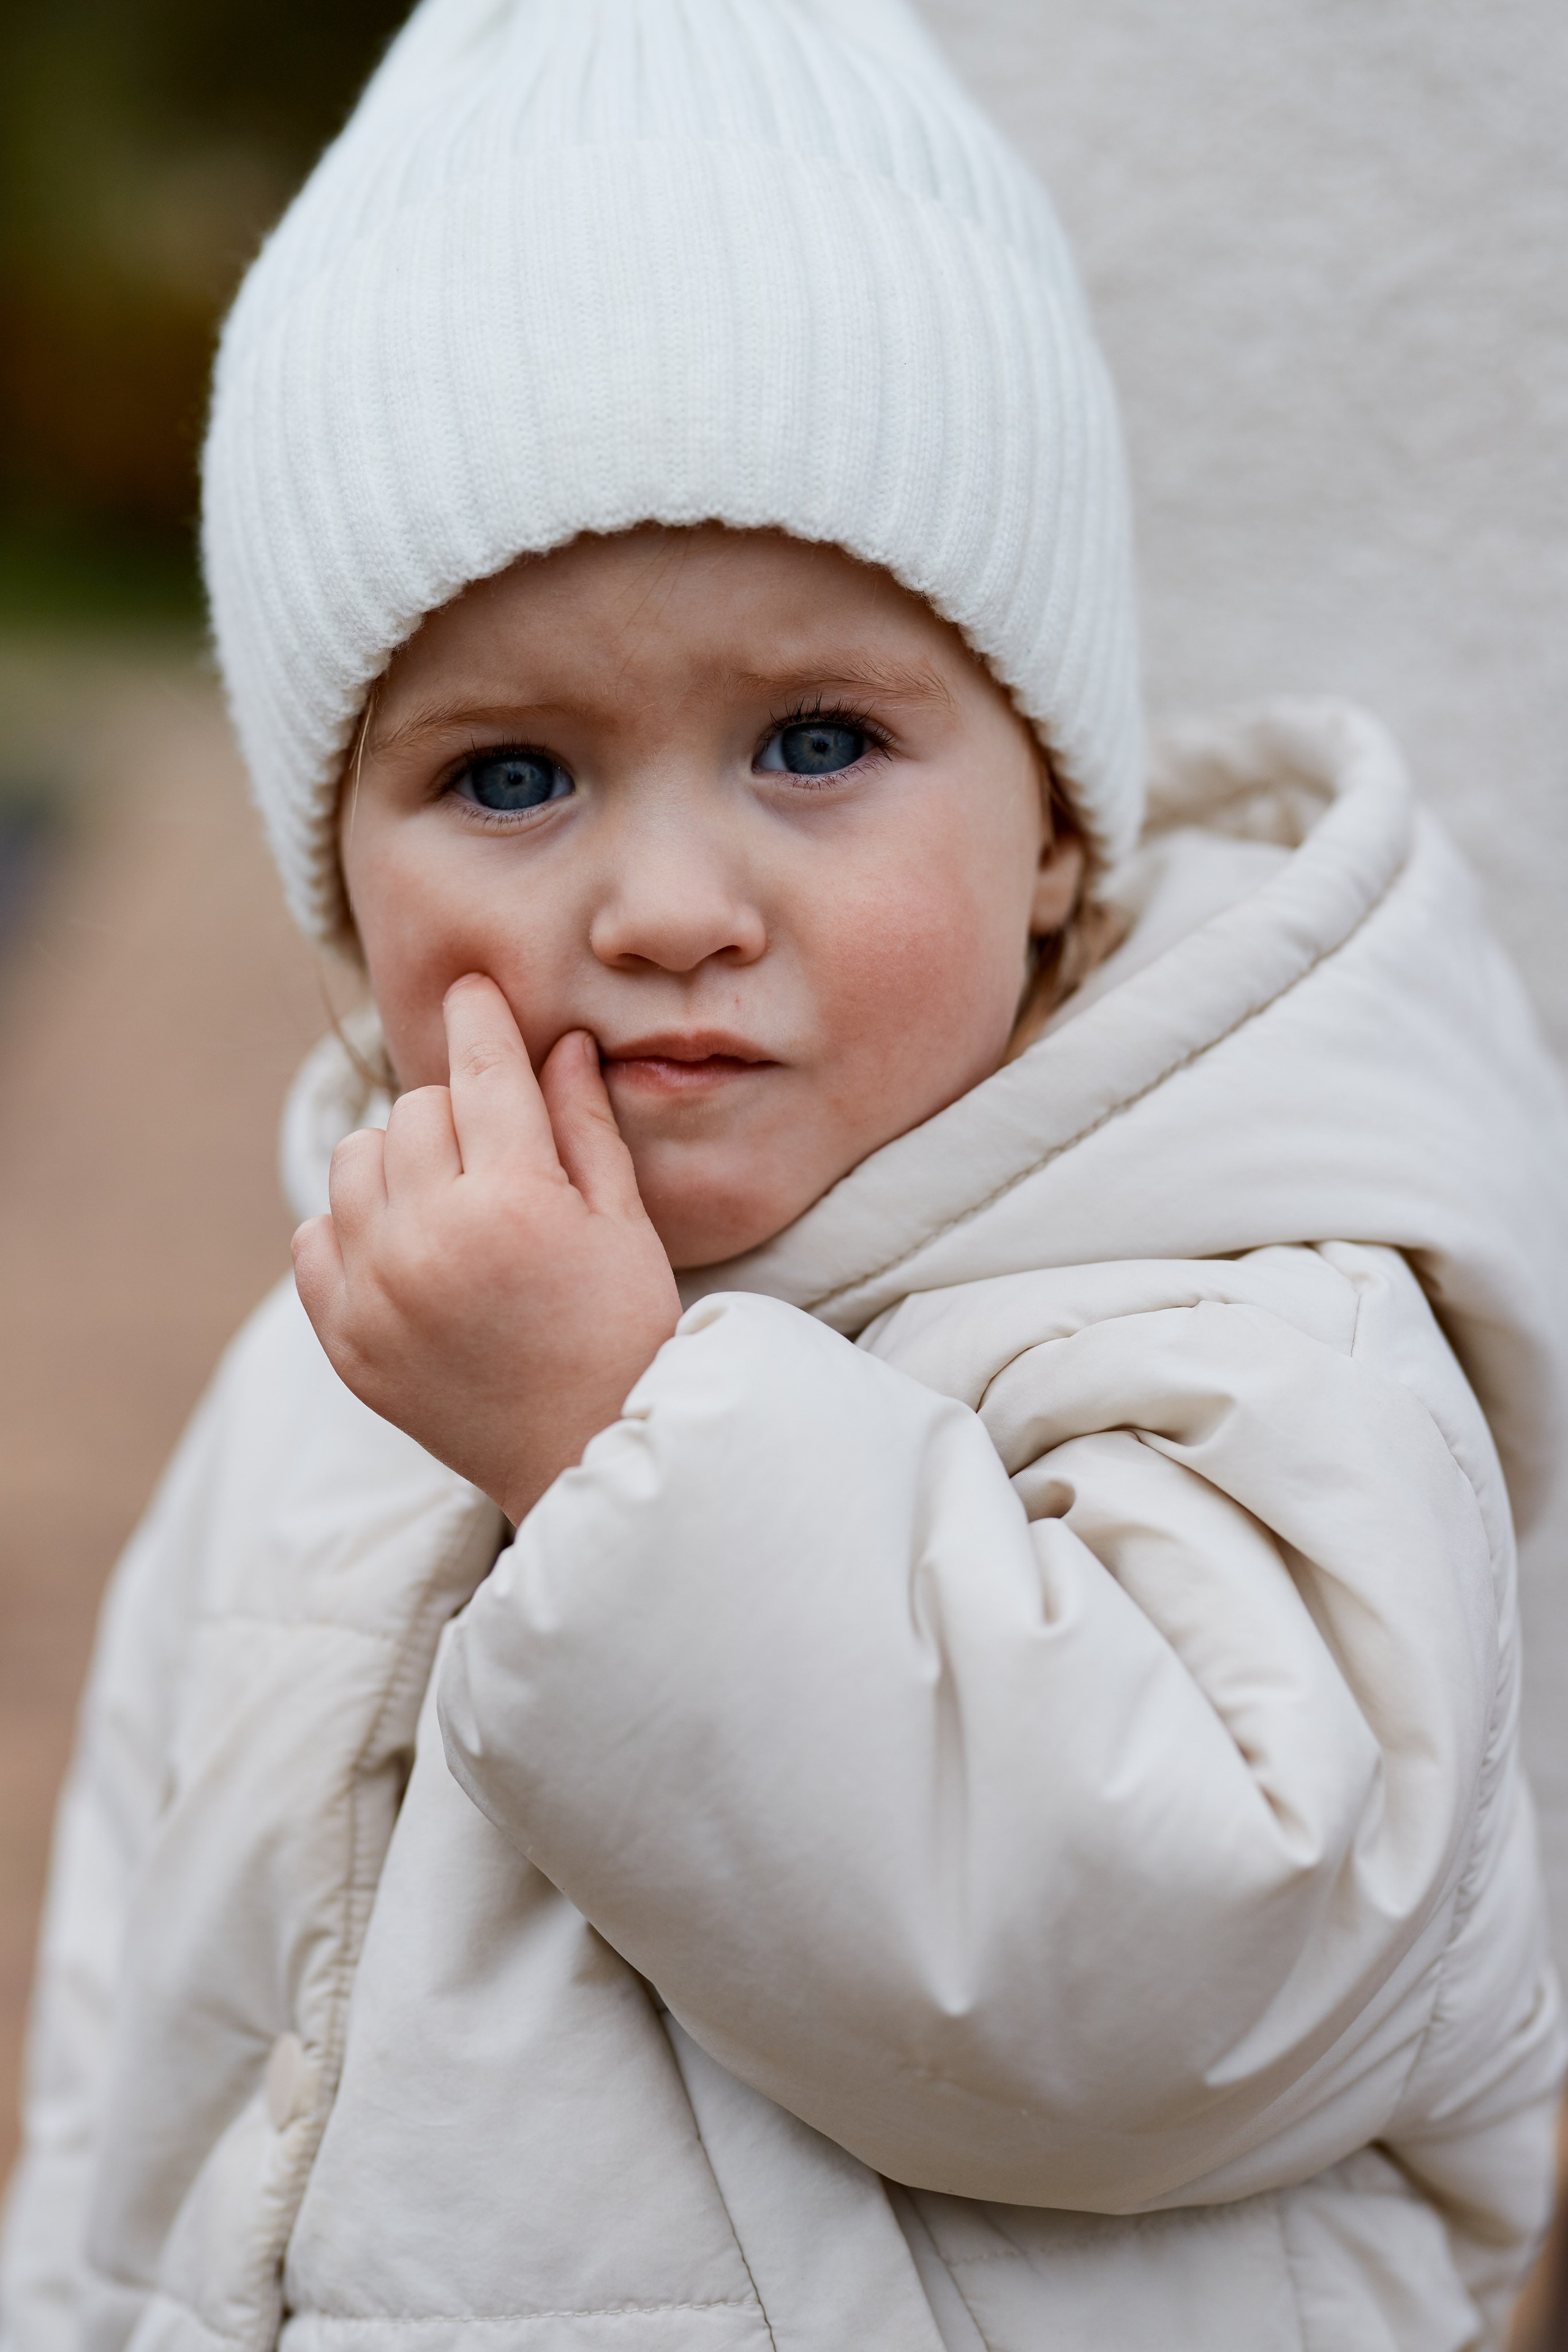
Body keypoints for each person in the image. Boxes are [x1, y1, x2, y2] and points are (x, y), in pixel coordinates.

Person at [4, 0, 1567, 2345]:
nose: (662, 903)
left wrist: (618, 1446)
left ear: (1055, 830)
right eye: (513, 776)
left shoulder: (1245, 1318)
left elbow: (1203, 1974)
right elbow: (148, 2037)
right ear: (340, 886)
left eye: (815, 742)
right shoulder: (346, 1354)